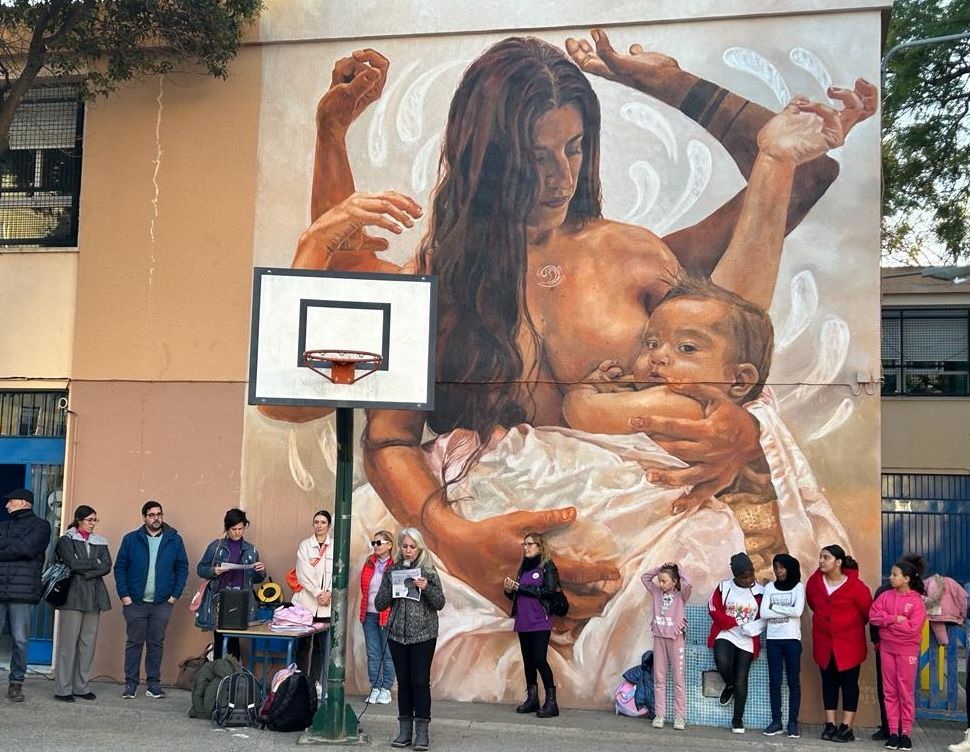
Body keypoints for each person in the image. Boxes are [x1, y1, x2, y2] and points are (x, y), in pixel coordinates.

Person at [375, 528, 445, 752]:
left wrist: (426, 588)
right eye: (405, 546)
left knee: (419, 682)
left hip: (423, 635)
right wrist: (391, 588)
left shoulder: (428, 570)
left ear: (419, 548)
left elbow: (440, 602)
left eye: (412, 547)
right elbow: (379, 604)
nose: (408, 550)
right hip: (397, 635)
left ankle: (422, 732)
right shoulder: (392, 570)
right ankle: (405, 731)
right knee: (403, 683)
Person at [114, 499, 189, 699]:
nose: (156, 518)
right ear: (144, 517)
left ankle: (153, 684)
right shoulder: (131, 539)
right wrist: (124, 595)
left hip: (162, 603)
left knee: (156, 644)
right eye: (152, 515)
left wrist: (174, 595)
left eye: (159, 514)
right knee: (134, 643)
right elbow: (120, 567)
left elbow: (182, 567)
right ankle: (130, 684)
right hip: (135, 602)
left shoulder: (174, 539)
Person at [805, 544, 872, 742]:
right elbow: (812, 603)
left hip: (849, 644)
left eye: (826, 557)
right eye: (820, 557)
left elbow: (866, 612)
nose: (821, 561)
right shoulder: (815, 582)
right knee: (828, 682)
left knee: (849, 684)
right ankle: (830, 724)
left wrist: (846, 625)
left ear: (838, 562)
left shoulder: (856, 586)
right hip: (824, 642)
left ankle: (846, 727)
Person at [53, 505, 112, 702]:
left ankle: (81, 686)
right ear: (79, 520)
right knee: (68, 644)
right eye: (89, 520)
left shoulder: (100, 541)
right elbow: (72, 563)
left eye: (95, 520)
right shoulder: (66, 540)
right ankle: (63, 689)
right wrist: (94, 563)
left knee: (88, 643)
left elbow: (107, 566)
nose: (93, 523)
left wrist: (86, 569)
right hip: (73, 595)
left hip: (95, 596)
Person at [869, 557, 927, 752]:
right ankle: (893, 732)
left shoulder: (916, 602)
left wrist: (888, 624)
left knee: (905, 691)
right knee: (890, 691)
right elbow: (874, 617)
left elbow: (913, 629)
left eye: (895, 575)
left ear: (907, 579)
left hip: (907, 651)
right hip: (887, 649)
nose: (891, 578)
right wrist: (894, 619)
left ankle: (905, 733)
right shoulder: (885, 596)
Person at [503, 532, 562, 719]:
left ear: (540, 546)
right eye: (525, 544)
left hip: (540, 621)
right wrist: (509, 590)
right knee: (528, 661)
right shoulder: (524, 568)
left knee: (539, 659)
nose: (526, 547)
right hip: (523, 621)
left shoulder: (547, 566)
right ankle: (532, 698)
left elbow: (548, 591)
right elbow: (518, 595)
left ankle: (551, 702)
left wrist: (520, 587)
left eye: (530, 544)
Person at [0, 488, 51, 703]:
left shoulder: (41, 526)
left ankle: (16, 683)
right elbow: (20, 549)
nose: (6, 505)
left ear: (22, 502)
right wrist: (16, 548)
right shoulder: (4, 526)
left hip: (23, 592)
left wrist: (10, 548)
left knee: (20, 640)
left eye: (10, 501)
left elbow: (27, 549)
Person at [197, 507, 266, 659]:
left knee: (234, 640)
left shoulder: (250, 549)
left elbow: (256, 579)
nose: (237, 532)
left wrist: (261, 571)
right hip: (220, 598)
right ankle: (219, 671)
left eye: (241, 529)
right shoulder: (216, 547)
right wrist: (213, 570)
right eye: (233, 529)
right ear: (227, 528)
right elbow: (200, 569)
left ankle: (233, 671)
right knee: (220, 639)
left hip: (241, 598)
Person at [707, 551, 764, 734]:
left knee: (742, 678)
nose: (748, 580)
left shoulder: (760, 592)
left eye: (751, 575)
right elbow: (713, 607)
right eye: (743, 577)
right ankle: (729, 684)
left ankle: (737, 719)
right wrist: (731, 622)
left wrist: (751, 628)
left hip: (747, 638)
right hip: (727, 632)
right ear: (735, 576)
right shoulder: (724, 587)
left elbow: (764, 617)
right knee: (722, 660)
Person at [641, 561, 692, 730]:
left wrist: (678, 568)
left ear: (675, 581)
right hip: (659, 639)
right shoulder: (656, 592)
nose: (661, 584)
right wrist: (659, 569)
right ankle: (659, 715)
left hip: (675, 641)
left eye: (664, 581)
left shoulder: (681, 596)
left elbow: (689, 584)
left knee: (678, 680)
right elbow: (645, 578)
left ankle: (680, 717)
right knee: (659, 679)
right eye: (660, 581)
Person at [759, 553, 804, 739]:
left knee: (793, 681)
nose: (778, 571)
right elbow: (763, 613)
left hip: (792, 639)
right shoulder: (769, 587)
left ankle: (793, 722)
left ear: (790, 568)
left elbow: (797, 611)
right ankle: (776, 721)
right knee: (775, 681)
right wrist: (786, 611)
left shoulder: (799, 587)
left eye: (782, 567)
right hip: (773, 640)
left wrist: (774, 607)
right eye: (776, 567)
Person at [292, 509, 334, 694]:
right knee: (303, 645)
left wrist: (329, 593)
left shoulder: (335, 546)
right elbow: (303, 573)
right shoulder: (305, 545)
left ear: (329, 525)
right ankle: (300, 683)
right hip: (307, 604)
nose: (319, 525)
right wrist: (318, 593)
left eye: (323, 522)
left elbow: (338, 571)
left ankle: (317, 682)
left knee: (321, 646)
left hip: (327, 605)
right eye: (316, 522)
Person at [359, 529, 395, 704]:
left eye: (379, 543)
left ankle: (386, 688)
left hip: (387, 614)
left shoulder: (395, 565)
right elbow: (364, 588)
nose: (375, 546)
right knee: (373, 653)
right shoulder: (369, 563)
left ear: (389, 545)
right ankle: (375, 687)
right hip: (369, 613)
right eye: (373, 543)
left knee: (388, 653)